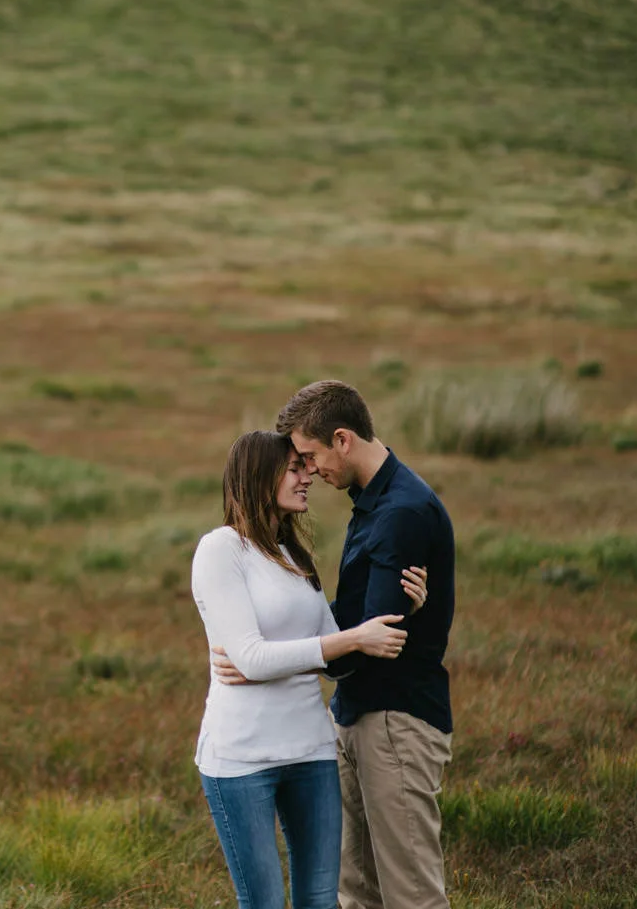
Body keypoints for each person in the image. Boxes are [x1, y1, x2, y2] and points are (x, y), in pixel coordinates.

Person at [217, 381, 456, 909]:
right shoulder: (372, 503)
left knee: (410, 894)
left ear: (342, 440)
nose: (308, 471)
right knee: (357, 891)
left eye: (310, 456)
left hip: (395, 721)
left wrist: (261, 664)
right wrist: (267, 654)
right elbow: (353, 628)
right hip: (357, 717)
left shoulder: (402, 512)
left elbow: (368, 638)